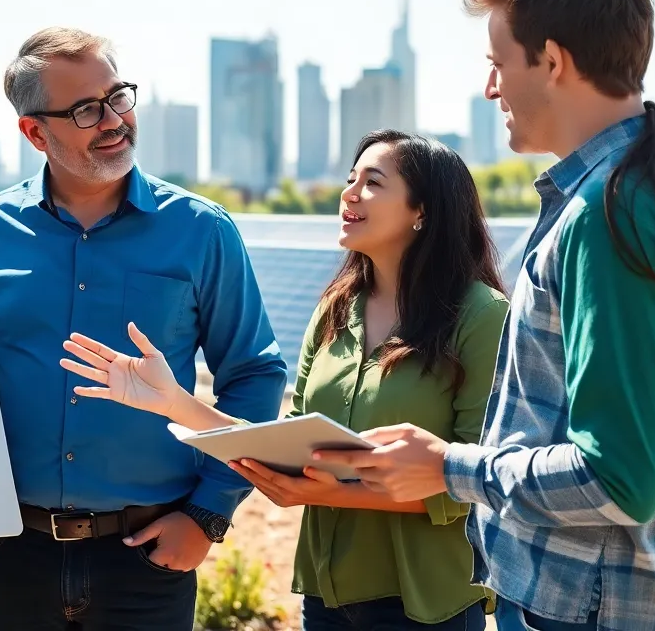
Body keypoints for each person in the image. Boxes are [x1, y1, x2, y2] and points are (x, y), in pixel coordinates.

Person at [311, 0, 655, 631]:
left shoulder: (609, 218)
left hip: (581, 610)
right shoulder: (618, 198)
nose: (492, 89)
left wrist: (451, 467)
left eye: (498, 64)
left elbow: (618, 479)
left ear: (552, 62)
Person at [62, 130, 509, 630]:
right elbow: (289, 443)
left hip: (425, 602)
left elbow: (474, 478)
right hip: (325, 594)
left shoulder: (481, 317)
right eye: (350, 179)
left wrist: (311, 491)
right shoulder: (336, 310)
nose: (349, 193)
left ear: (421, 211)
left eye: (373, 182)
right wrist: (172, 401)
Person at [0, 27, 288, 630]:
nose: (113, 119)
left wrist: (208, 514)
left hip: (150, 555)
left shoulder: (201, 231)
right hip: (11, 553)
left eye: (118, 96)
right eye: (86, 109)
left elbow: (254, 373)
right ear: (36, 132)